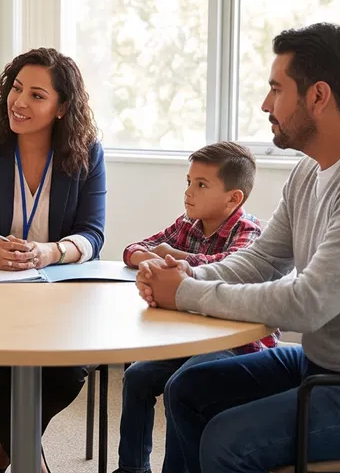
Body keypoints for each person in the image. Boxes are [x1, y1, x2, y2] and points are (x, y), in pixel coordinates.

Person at [134, 24, 340, 473]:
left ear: (318, 96)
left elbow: (308, 304)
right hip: (327, 365)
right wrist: (188, 277)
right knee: (187, 388)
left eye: (275, 89)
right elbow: (265, 259)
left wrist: (184, 294)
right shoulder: (310, 170)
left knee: (228, 442)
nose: (265, 104)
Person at [0, 48, 108, 473]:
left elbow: (93, 234)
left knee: (69, 370)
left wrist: (51, 252)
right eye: (17, 88)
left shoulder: (87, 152)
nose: (19, 102)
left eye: (37, 95)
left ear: (62, 107)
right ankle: (28, 459)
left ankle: (3, 452)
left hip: (56, 298)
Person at [116, 142, 277, 473]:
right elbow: (133, 248)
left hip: (237, 344)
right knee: (136, 376)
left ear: (234, 198)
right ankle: (132, 468)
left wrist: (171, 258)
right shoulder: (188, 223)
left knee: (181, 385)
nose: (189, 192)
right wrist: (152, 256)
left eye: (201, 185)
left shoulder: (248, 230)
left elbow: (229, 264)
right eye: (188, 182)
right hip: (188, 337)